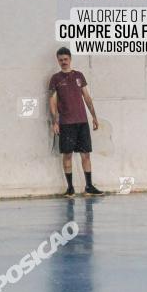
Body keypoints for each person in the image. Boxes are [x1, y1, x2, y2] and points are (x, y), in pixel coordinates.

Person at [49, 48, 104, 197]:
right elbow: (53, 101)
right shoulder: (55, 79)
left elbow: (87, 97)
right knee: (67, 155)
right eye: (60, 60)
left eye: (65, 59)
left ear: (70, 58)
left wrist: (94, 116)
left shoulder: (79, 76)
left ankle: (89, 186)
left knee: (86, 155)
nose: (63, 62)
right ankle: (70, 188)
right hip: (66, 123)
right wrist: (55, 122)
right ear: (57, 60)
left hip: (82, 122)